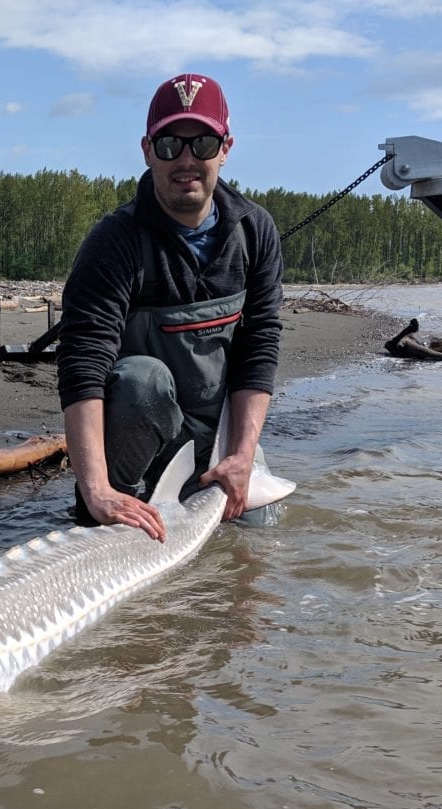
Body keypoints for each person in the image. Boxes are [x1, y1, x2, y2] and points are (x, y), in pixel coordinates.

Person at [55, 72, 283, 541]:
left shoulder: (255, 231)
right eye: (169, 145)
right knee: (143, 380)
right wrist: (96, 490)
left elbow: (259, 347)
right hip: (140, 438)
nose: (185, 160)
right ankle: (112, 505)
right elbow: (82, 363)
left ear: (226, 147)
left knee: (255, 549)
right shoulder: (114, 241)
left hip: (215, 442)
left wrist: (241, 457)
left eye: (201, 144)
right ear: (146, 149)